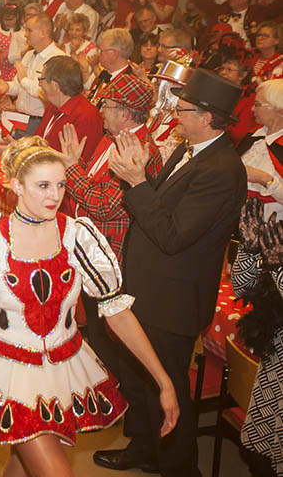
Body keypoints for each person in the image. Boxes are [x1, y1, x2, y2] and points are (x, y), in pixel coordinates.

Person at [0, 136, 178, 477]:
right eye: (42, 185)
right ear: (16, 186)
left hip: (65, 372)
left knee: (22, 463)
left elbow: (118, 312)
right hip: (11, 374)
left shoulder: (77, 236)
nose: (54, 195)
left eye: (60, 185)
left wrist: (165, 382)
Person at [96, 68, 247, 475]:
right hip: (150, 288)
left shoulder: (221, 170)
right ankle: (145, 449)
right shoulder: (191, 149)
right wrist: (141, 178)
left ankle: (180, 468)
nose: (173, 117)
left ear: (206, 117)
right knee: (144, 382)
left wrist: (135, 181)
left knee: (167, 388)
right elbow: (160, 210)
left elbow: (173, 235)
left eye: (181, 111)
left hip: (172, 299)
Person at [58, 73, 163, 377]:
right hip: (95, 250)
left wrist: (71, 167)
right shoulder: (109, 139)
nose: (100, 111)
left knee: (111, 337)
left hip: (113, 257)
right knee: (98, 331)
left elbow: (104, 205)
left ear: (125, 113)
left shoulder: (140, 150)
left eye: (106, 106)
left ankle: (125, 403)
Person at [231, 200, 283, 476]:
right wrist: (249, 251)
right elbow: (243, 288)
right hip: (274, 370)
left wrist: (278, 270)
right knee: (262, 458)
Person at [0, 13, 67, 135]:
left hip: (39, 121)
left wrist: (24, 80)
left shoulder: (58, 58)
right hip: (21, 118)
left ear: (43, 33)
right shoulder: (29, 55)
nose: (25, 34)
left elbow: (47, 93)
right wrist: (7, 87)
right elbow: (19, 85)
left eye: (29, 30)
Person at [35, 55, 103, 163]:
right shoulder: (53, 106)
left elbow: (80, 164)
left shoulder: (87, 116)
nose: (39, 83)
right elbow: (38, 142)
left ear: (55, 85)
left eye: (41, 79)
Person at [238, 79, 283, 221]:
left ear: (279, 110)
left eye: (258, 105)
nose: (252, 109)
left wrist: (265, 179)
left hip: (269, 229)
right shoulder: (253, 137)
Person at [89, 28, 135, 102]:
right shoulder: (104, 75)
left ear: (114, 53)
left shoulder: (129, 84)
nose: (98, 54)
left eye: (101, 51)